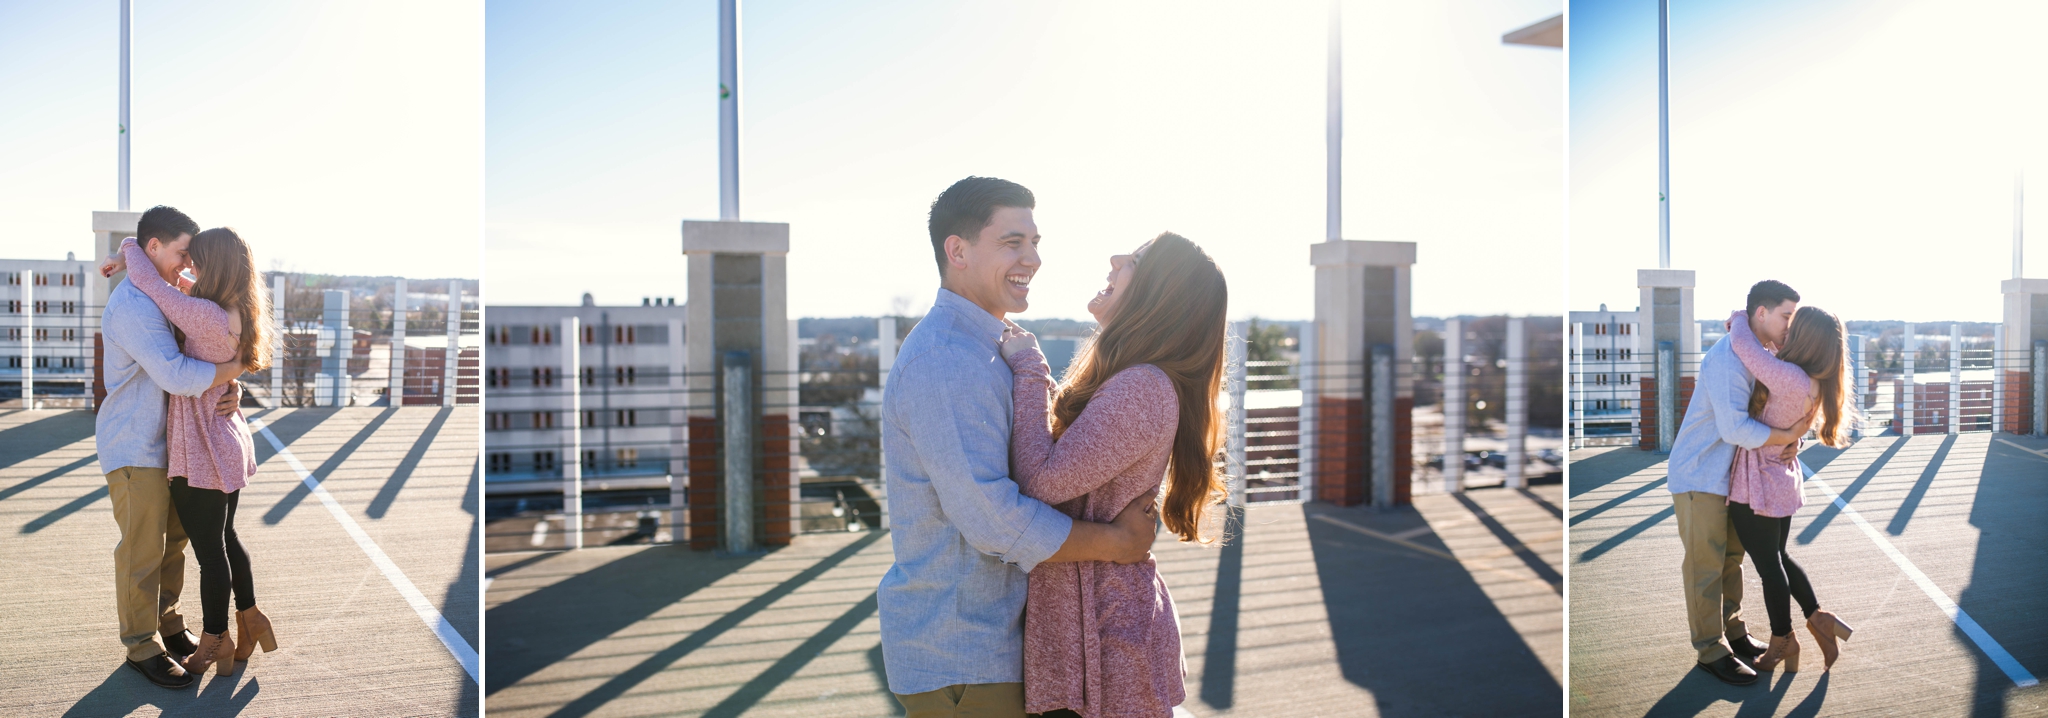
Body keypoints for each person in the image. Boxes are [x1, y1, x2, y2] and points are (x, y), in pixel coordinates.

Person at [878, 177, 1160, 718]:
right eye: (1013, 242)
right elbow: (992, 521)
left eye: (1035, 242)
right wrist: (1117, 543)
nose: (1032, 258)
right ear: (956, 251)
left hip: (993, 649)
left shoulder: (990, 348)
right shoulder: (945, 363)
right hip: (963, 655)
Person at [997, 232, 1226, 718]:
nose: (1115, 259)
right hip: (1093, 632)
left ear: (1157, 295)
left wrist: (1030, 370)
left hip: (1105, 643)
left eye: (1136, 261)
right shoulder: (1132, 380)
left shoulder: (1141, 387)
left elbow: (1041, 480)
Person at [102, 224, 280, 677]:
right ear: (156, 246)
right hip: (169, 441)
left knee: (199, 547)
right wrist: (234, 370)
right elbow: (180, 365)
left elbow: (159, 285)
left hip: (200, 443)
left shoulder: (200, 310)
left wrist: (128, 251)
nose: (188, 265)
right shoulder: (224, 305)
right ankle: (157, 641)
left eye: (195, 257)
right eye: (184, 254)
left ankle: (206, 637)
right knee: (177, 546)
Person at [1664, 279, 1807, 686]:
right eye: (1786, 316)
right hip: (1701, 473)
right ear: (1760, 314)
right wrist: (1787, 435)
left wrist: (1793, 437)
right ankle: (1710, 650)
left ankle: (1734, 634)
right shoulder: (1728, 358)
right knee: (1705, 566)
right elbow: (1734, 429)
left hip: (1733, 477)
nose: (1789, 326)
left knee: (1731, 560)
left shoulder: (1759, 354)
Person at [1721, 305, 1856, 672]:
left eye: (1792, 326)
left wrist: (1739, 318)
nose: (1786, 331)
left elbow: (1747, 349)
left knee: (1769, 567)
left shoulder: (1790, 378)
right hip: (1779, 478)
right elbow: (1770, 360)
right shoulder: (1809, 379)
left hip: (1758, 483)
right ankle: (1819, 618)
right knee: (1778, 558)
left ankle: (1783, 640)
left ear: (1805, 338)